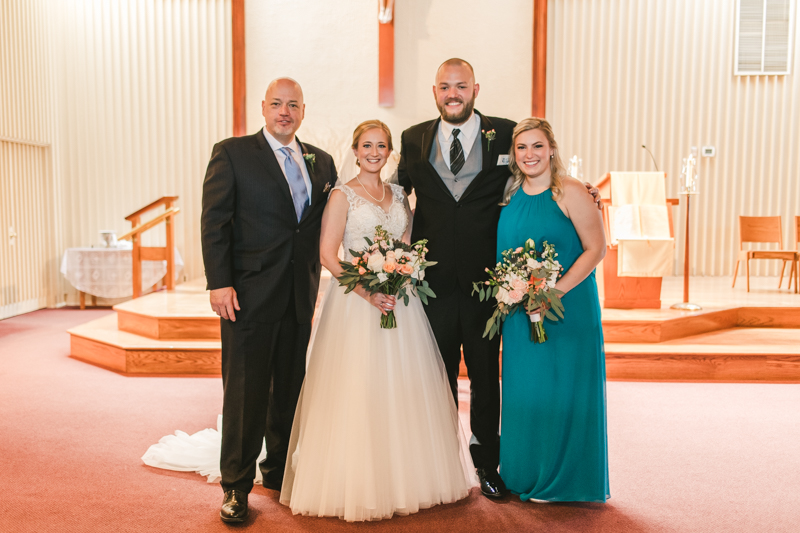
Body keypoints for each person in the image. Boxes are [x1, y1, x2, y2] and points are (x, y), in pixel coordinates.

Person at [397, 58, 601, 499]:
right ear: (435, 91)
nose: (454, 93)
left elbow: (537, 171)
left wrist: (582, 189)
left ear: (475, 89)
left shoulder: (505, 132)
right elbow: (399, 201)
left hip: (488, 286)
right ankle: (438, 466)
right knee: (436, 376)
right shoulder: (412, 138)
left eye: (462, 86)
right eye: (445, 86)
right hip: (431, 286)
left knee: (487, 378)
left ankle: (487, 463)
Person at [278, 120, 475, 521]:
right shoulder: (341, 196)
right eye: (366, 145)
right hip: (355, 304)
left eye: (381, 146)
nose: (373, 152)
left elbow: (406, 247)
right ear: (355, 150)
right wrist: (368, 291)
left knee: (402, 387)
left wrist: (400, 275)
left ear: (390, 153)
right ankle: (358, 480)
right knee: (359, 387)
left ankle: (407, 477)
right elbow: (329, 255)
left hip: (399, 302)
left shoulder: (400, 195)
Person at [200, 78, 338, 523]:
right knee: (245, 394)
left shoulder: (322, 162)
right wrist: (219, 282)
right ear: (263, 108)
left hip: (300, 295)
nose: (285, 111)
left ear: (303, 110)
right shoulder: (233, 153)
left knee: (289, 394)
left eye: (293, 104)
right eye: (277, 103)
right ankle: (236, 488)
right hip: (248, 297)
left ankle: (277, 472)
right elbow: (215, 222)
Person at [496, 117, 609, 502]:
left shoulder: (572, 191)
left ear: (552, 149)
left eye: (538, 146)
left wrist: (552, 293)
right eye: (522, 147)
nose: (530, 154)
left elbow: (597, 249)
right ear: (513, 154)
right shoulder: (510, 194)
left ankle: (566, 479)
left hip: (566, 308)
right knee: (526, 388)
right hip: (519, 311)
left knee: (565, 388)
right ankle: (525, 473)